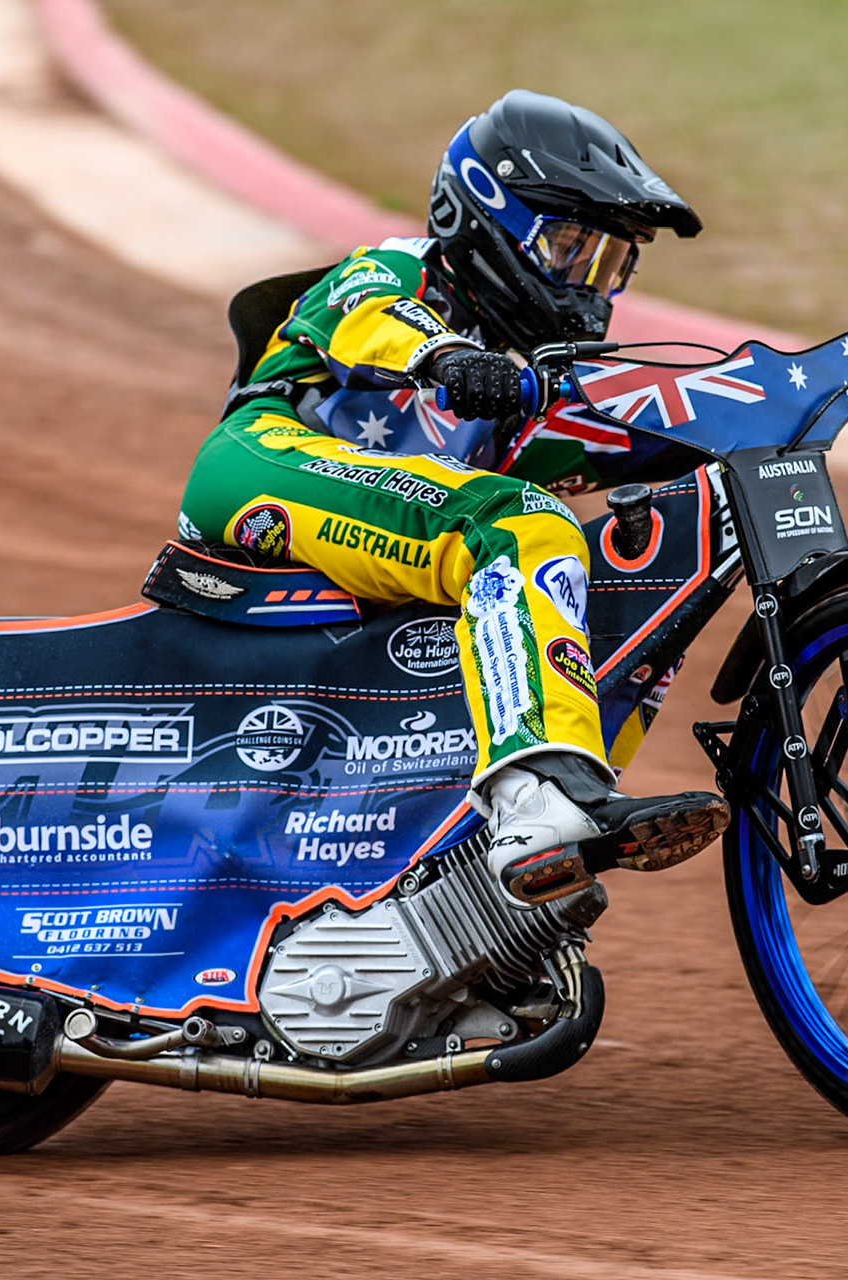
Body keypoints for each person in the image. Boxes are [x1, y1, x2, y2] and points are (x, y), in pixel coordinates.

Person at [179, 90, 728, 906]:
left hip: (380, 540)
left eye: (610, 263)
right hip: (264, 465)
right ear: (487, 219)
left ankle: (477, 859)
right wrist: (440, 355)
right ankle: (534, 800)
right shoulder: (400, 267)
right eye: (572, 247)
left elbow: (649, 429)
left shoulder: (529, 377)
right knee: (520, 525)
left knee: (665, 544)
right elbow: (368, 316)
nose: (590, 286)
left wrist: (828, 380)